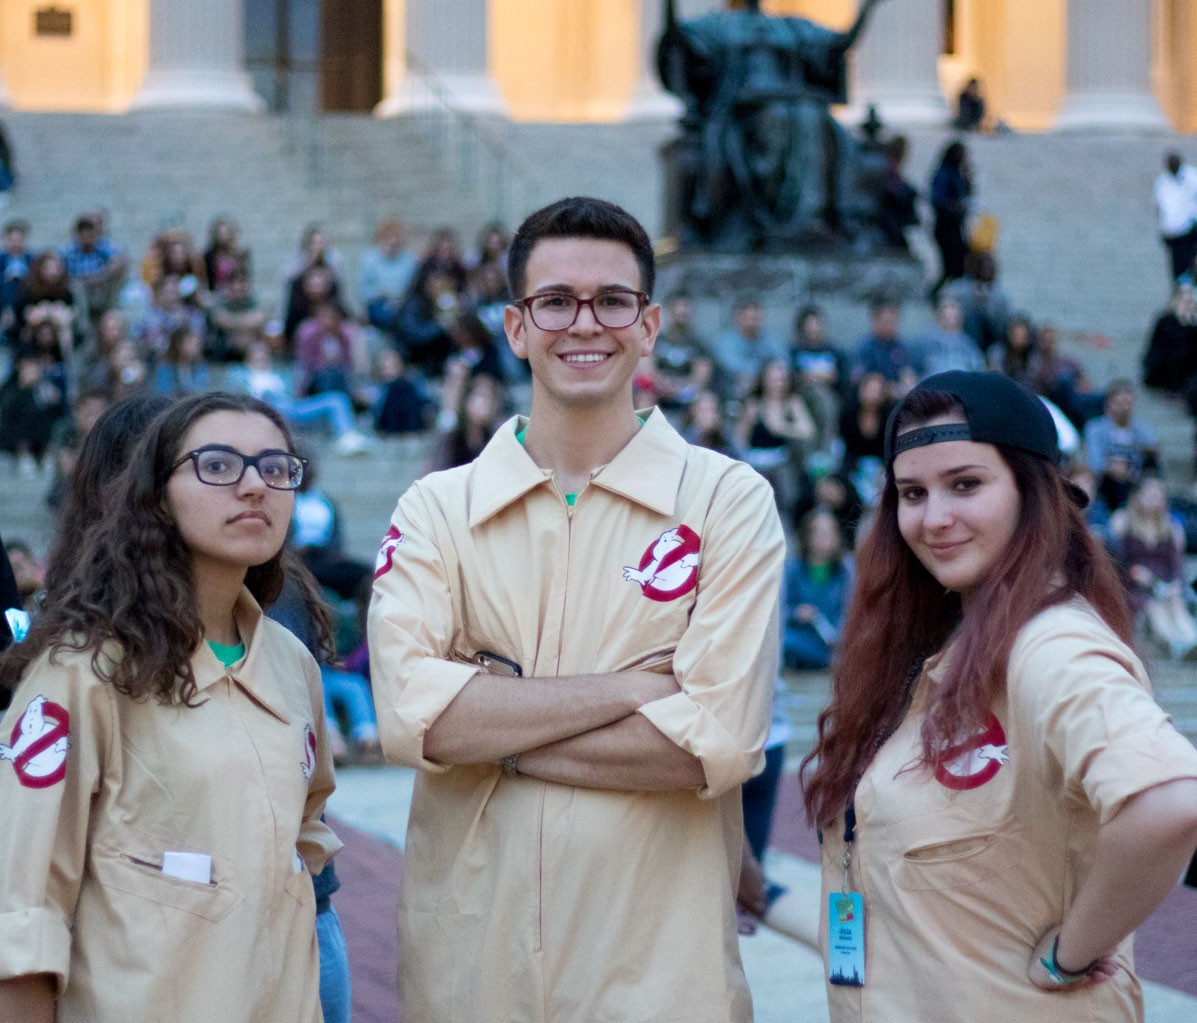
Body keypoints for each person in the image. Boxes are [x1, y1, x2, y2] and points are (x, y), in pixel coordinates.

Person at [369, 196, 785, 1022]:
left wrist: (497, 725)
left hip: (663, 981)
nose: (583, 323)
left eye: (612, 301)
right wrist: (635, 690)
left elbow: (714, 743)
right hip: (471, 977)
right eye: (554, 301)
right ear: (516, 327)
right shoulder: (436, 508)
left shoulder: (726, 500)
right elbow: (415, 720)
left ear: (650, 324)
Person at [802, 370, 1197, 1022]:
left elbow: (1168, 802)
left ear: (1030, 491)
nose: (933, 517)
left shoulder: (1049, 642)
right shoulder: (933, 650)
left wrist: (1069, 955)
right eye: (911, 492)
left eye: (965, 484)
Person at [0, 391, 341, 1022]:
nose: (253, 487)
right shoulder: (84, 671)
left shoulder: (293, 665)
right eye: (217, 465)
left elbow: (307, 836)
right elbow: (22, 911)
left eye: (275, 468)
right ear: (156, 493)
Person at [1109, 475, 1197, 661]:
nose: (1154, 498)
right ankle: (1174, 644)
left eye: (1158, 495)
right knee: (1153, 605)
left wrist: (1175, 585)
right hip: (1136, 586)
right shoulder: (1123, 522)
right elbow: (1116, 561)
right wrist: (1135, 574)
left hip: (1165, 585)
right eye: (1149, 493)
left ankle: (1190, 641)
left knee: (1176, 604)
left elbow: (1176, 565)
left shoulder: (1171, 527)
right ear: (1138, 496)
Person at [928, 139, 973, 301]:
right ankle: (936, 297)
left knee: (959, 265)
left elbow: (967, 194)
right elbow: (937, 200)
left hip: (955, 227)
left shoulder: (956, 173)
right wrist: (954, 206)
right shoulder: (944, 173)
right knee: (951, 267)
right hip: (946, 228)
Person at [1153, 151, 1197, 282]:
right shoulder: (1162, 182)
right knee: (1178, 267)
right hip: (1173, 231)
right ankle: (1183, 292)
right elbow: (1160, 207)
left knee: (1190, 262)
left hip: (1191, 228)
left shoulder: (1192, 177)